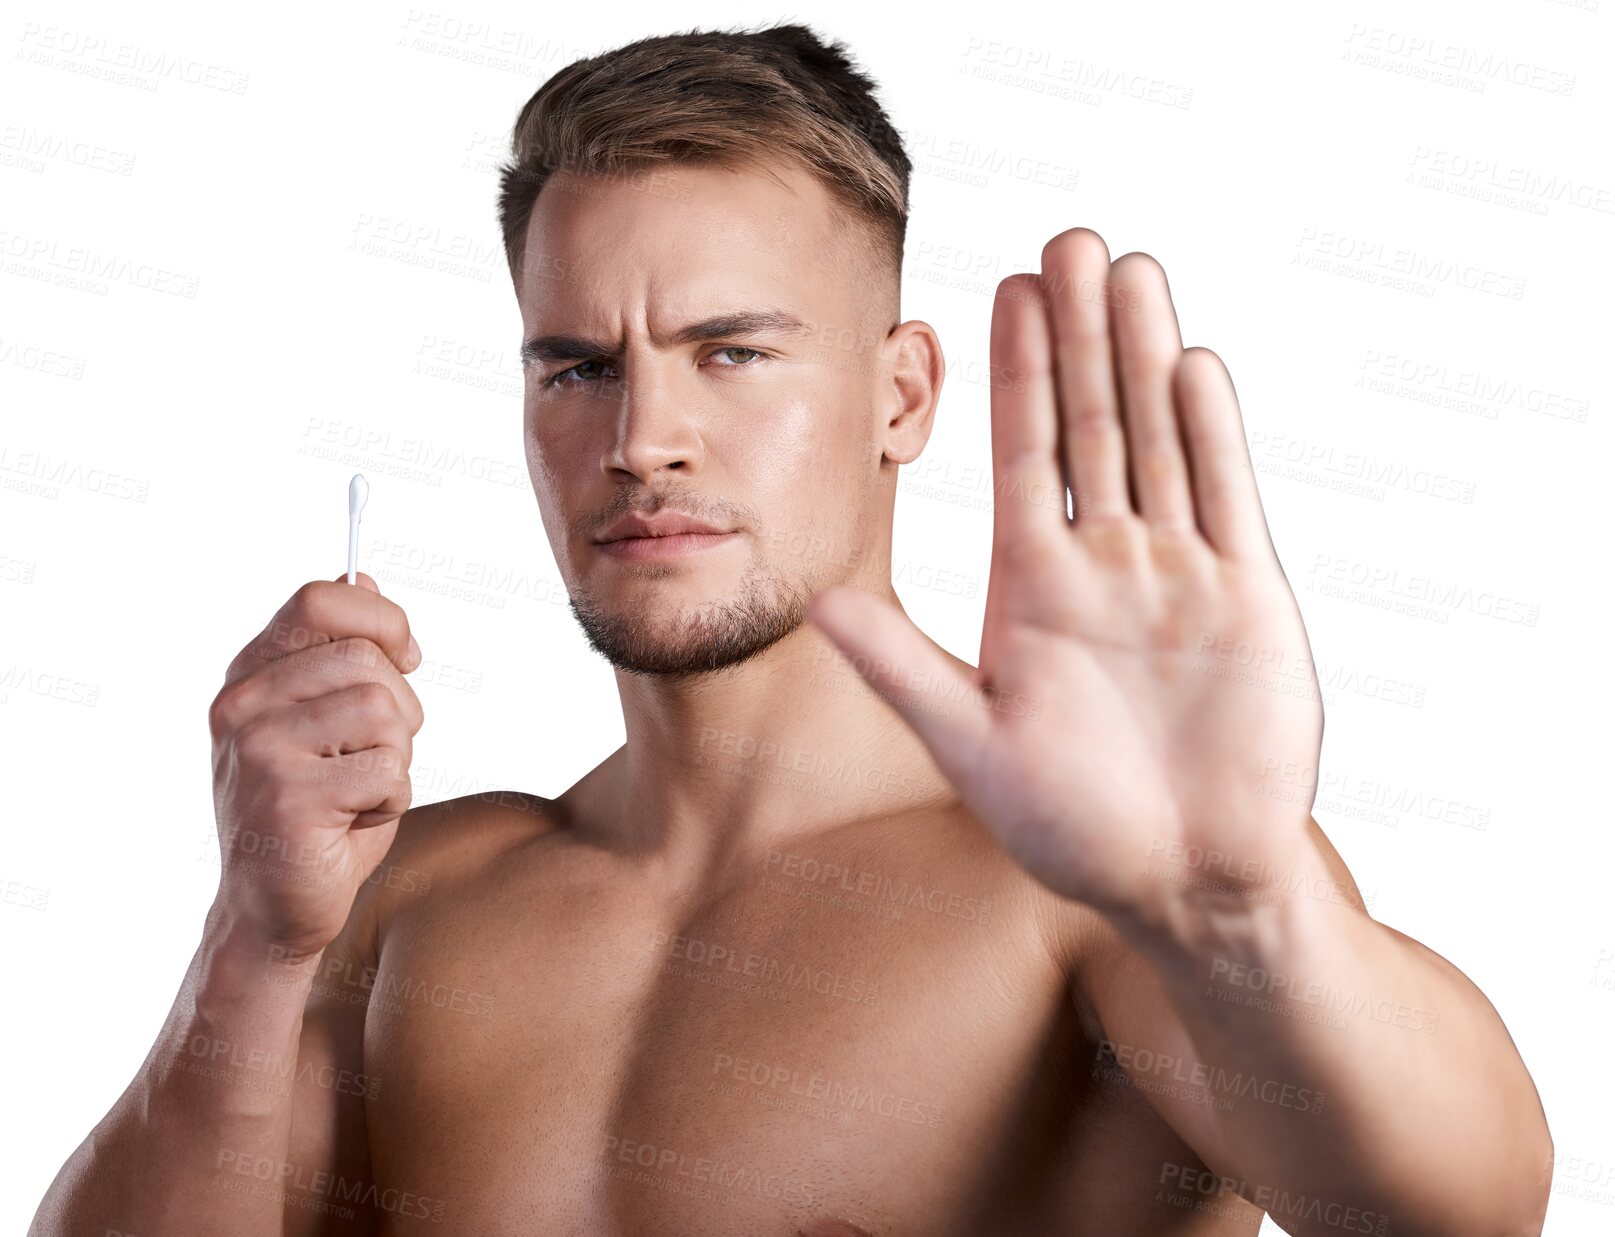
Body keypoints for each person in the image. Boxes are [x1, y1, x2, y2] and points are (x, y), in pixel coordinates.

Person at [31, 22, 1551, 1237]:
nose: (645, 437)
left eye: (733, 351)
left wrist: (1236, 906)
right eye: (576, 368)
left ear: (902, 397)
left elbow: (1457, 1209)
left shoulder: (1094, 882)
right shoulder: (417, 894)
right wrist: (252, 938)